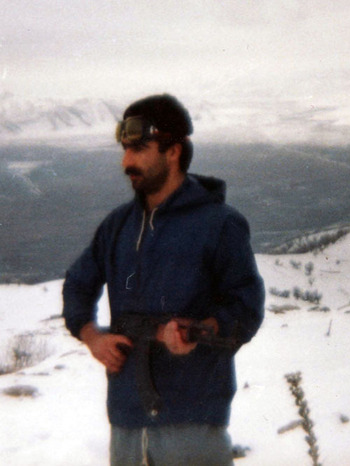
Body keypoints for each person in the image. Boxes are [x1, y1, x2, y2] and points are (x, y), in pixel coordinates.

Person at [62, 94, 265, 466]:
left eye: (139, 149)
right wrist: (92, 337)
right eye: (125, 150)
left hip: (192, 428)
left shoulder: (220, 224)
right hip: (126, 426)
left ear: (173, 151)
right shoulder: (117, 226)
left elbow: (246, 308)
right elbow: (78, 283)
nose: (126, 162)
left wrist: (198, 330)